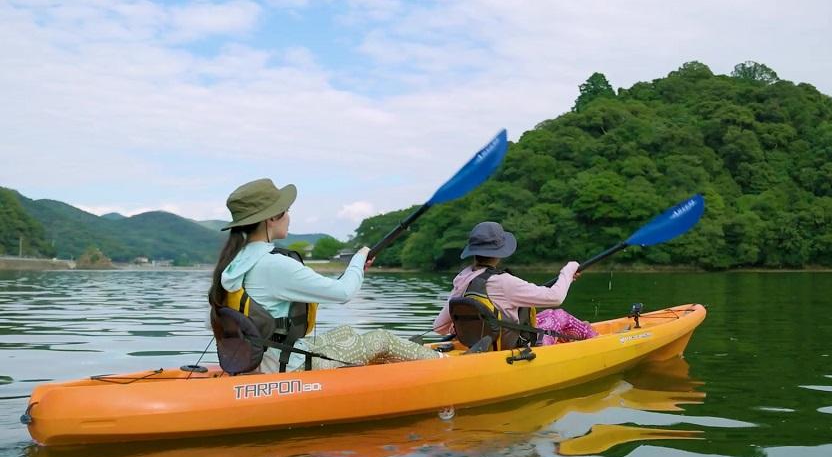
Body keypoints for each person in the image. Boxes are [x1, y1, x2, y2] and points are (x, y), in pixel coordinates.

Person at [208, 178, 439, 374]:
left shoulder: (236, 261)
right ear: (271, 218)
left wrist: (355, 270)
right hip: (284, 367)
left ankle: (402, 368)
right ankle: (444, 365)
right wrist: (358, 259)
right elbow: (343, 293)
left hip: (259, 361)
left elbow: (326, 287)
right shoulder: (274, 264)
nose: (289, 216)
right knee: (383, 339)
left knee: (345, 332)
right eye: (286, 211)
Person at [432, 221, 596, 349]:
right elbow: (556, 297)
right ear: (500, 253)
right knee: (558, 315)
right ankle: (595, 341)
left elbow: (439, 327)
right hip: (511, 349)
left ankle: (579, 338)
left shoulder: (462, 280)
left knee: (544, 316)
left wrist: (468, 327)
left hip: (482, 347)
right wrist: (568, 270)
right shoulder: (504, 281)